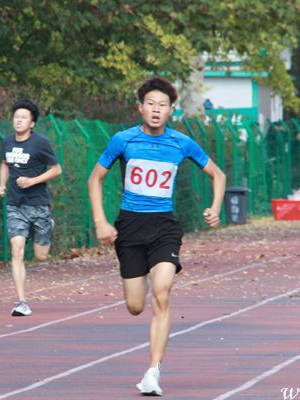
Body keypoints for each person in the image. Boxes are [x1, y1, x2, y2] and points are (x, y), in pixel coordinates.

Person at [88, 77, 226, 396]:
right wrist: (100, 222)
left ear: (171, 110)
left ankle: (153, 371)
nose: (156, 109)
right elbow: (95, 179)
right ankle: (144, 275)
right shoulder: (123, 140)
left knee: (162, 293)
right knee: (136, 306)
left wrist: (216, 207)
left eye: (162, 105)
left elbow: (217, 174)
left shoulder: (181, 143)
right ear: (140, 107)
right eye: (150, 103)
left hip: (164, 227)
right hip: (130, 227)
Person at [0, 99, 62, 316]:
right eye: (16, 117)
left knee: (40, 256)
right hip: (15, 204)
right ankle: (22, 302)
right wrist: (2, 185)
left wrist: (32, 181)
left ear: (31, 123)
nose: (19, 120)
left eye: (23, 117)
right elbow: (5, 164)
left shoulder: (40, 143)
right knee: (17, 250)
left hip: (38, 204)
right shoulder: (7, 142)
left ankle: (47, 225)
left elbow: (57, 170)